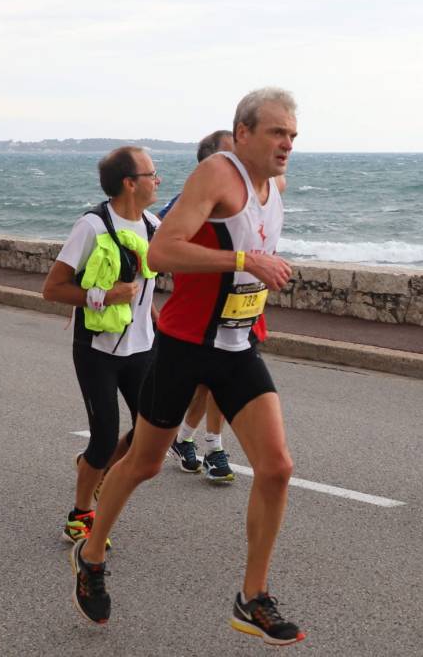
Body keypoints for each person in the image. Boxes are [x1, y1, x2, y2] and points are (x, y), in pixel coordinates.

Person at [69, 88, 305, 646]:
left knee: (277, 468)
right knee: (144, 464)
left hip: (237, 345)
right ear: (243, 132)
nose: (287, 144)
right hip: (182, 345)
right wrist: (245, 260)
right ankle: (93, 553)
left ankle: (252, 598)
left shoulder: (278, 185)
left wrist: (254, 274)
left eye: (293, 135)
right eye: (277, 133)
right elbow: (161, 253)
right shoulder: (216, 176)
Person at [42, 146, 161, 546]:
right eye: (151, 175)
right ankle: (79, 516)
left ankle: (95, 468)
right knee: (105, 436)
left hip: (142, 347)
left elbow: (148, 287)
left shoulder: (152, 225)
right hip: (98, 350)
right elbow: (52, 289)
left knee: (154, 428)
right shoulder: (91, 227)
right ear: (130, 183)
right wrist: (103, 296)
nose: (157, 181)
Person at [160, 129, 238, 483]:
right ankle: (185, 440)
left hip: (234, 312)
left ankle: (208, 444)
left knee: (216, 383)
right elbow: (158, 245)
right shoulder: (185, 203)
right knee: (203, 385)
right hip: (193, 315)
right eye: (230, 157)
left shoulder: (244, 203)